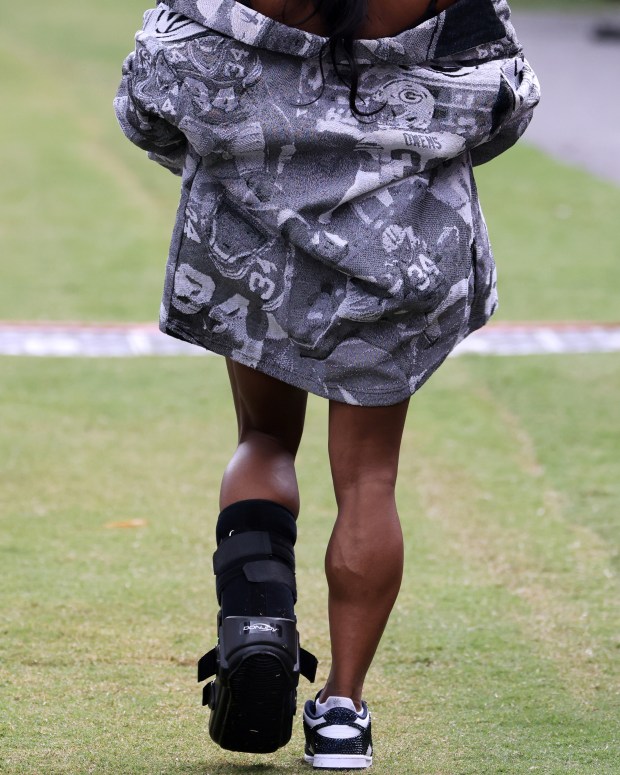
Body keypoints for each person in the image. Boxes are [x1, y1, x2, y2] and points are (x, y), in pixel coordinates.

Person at [115, 0, 539, 768]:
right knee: (370, 479)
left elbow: (149, 91)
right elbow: (506, 98)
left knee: (265, 438)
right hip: (401, 250)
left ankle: (257, 623)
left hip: (253, 236)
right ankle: (343, 710)